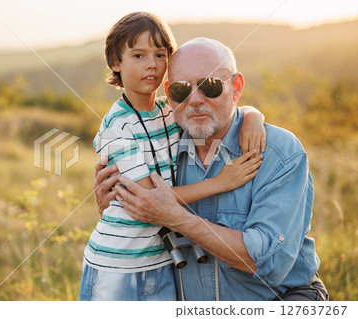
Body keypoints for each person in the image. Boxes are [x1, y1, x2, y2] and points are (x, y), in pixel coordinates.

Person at [95, 37, 329, 301]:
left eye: (211, 86)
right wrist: (112, 206)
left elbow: (267, 262)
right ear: (169, 96)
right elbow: (138, 210)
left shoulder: (278, 152)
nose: (195, 100)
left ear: (236, 87)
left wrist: (176, 217)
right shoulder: (160, 147)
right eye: (182, 90)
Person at [79, 12, 266, 301]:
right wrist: (221, 182)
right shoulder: (117, 126)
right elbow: (150, 199)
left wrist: (253, 116)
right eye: (138, 55)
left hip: (163, 261)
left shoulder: (170, 109)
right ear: (116, 62)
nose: (151, 64)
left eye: (160, 54)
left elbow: (220, 108)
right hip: (117, 264)